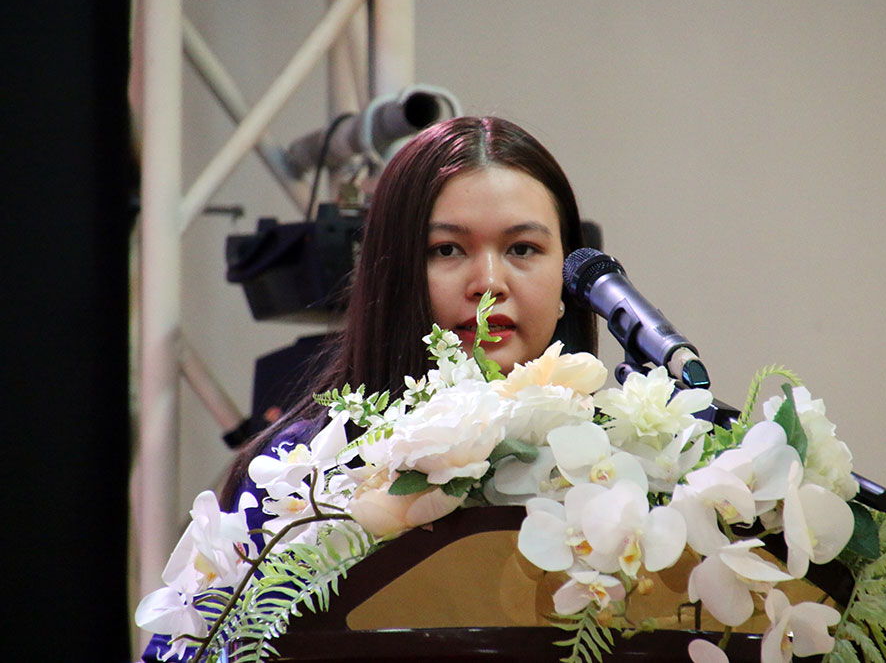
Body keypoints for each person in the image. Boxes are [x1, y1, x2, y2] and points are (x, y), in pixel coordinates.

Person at [141, 116, 597, 661]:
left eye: (522, 248)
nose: (489, 283)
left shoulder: (617, 461)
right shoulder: (299, 474)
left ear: (568, 278)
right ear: (392, 273)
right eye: (447, 250)